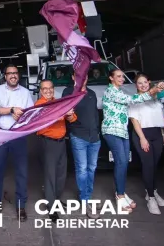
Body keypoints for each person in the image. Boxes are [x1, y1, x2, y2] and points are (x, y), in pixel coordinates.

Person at [102, 69, 164, 212]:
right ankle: (120, 196)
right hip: (112, 130)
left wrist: (155, 91)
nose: (122, 79)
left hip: (122, 131)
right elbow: (132, 100)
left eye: (123, 76)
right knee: (121, 162)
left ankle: (122, 193)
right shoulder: (111, 91)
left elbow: (133, 100)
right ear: (111, 78)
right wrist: (152, 90)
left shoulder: (120, 91)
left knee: (124, 163)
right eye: (118, 76)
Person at [0, 64, 34, 221]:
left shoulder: (26, 92)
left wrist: (22, 116)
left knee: (21, 171)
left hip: (18, 135)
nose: (13, 75)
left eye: (15, 73)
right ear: (5, 76)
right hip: (1, 134)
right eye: (10, 73)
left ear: (18, 75)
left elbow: (31, 114)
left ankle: (21, 206)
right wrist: (11, 110)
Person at [36, 80, 76, 221]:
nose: (48, 91)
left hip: (61, 142)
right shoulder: (39, 105)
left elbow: (72, 118)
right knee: (50, 175)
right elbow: (46, 120)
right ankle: (51, 207)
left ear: (53, 89)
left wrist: (69, 114)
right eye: (44, 89)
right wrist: (61, 113)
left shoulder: (59, 102)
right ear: (41, 91)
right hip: (48, 143)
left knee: (61, 173)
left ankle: (56, 199)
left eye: (50, 88)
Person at [128, 73, 164, 215]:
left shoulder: (155, 99)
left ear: (149, 82)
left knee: (155, 165)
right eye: (140, 83)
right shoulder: (135, 100)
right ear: (136, 85)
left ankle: (153, 191)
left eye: (145, 82)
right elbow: (134, 121)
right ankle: (150, 198)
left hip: (156, 134)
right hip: (142, 134)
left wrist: (162, 134)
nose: (143, 85)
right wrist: (142, 138)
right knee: (148, 165)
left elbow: (160, 117)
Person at [63, 71, 100, 218]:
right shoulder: (68, 92)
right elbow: (66, 114)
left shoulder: (92, 93)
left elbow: (95, 115)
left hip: (94, 138)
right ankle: (85, 200)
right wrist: (69, 117)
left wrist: (97, 132)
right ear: (73, 77)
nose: (82, 78)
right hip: (79, 136)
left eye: (84, 76)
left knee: (92, 168)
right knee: (82, 169)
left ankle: (87, 196)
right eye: (78, 76)